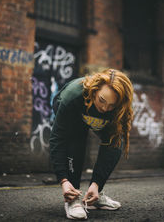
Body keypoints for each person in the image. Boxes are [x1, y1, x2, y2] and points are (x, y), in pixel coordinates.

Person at [50, 68, 134, 220]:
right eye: (102, 100)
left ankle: (95, 194)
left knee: (115, 142)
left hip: (93, 116)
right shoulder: (72, 97)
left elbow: (114, 142)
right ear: (95, 90)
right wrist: (63, 180)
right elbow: (57, 139)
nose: (104, 108)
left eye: (111, 105)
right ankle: (73, 197)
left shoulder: (120, 108)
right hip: (73, 109)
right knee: (76, 140)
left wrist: (96, 183)